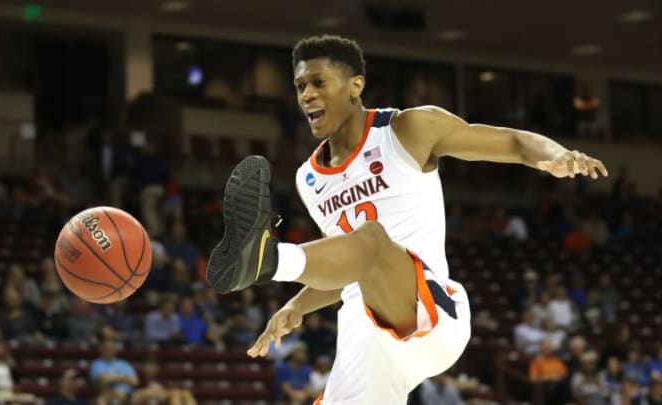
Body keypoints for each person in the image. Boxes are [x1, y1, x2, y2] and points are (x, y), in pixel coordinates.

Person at [205, 35, 608, 404]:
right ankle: (266, 261)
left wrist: (556, 154)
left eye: (318, 83)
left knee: (372, 238)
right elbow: (348, 269)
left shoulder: (408, 128)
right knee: (364, 252)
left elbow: (514, 142)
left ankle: (268, 259)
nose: (306, 95)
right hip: (365, 334)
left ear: (355, 86)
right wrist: (297, 306)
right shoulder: (308, 179)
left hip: (431, 312)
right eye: (299, 87)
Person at [89, 340, 138, 405]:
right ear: (101, 351)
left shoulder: (124, 363)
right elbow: (104, 380)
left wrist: (113, 378)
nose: (109, 350)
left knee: (152, 392)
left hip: (130, 395)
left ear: (115, 350)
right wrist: (124, 378)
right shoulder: (97, 364)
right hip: (108, 395)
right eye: (106, 349)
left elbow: (135, 381)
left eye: (111, 348)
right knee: (101, 400)